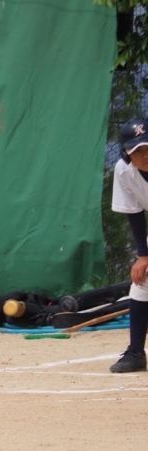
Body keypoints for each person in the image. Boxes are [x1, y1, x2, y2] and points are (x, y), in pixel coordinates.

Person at [110, 117, 148, 372]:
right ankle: (135, 353)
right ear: (126, 154)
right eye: (137, 151)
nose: (144, 155)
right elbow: (134, 213)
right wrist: (143, 256)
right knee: (142, 282)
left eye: (147, 148)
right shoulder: (124, 171)